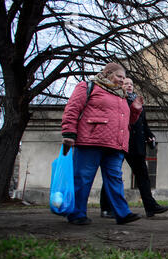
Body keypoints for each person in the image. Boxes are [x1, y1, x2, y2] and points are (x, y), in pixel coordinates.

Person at [61, 63, 143, 225]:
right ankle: (77, 214)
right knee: (83, 177)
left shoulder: (122, 95)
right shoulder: (88, 86)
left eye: (123, 78)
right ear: (107, 74)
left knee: (115, 178)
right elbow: (72, 108)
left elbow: (128, 121)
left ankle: (122, 213)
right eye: (119, 77)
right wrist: (69, 133)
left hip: (115, 144)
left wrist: (135, 110)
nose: (122, 81)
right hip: (91, 141)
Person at [100, 78, 168, 218]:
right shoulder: (117, 99)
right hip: (120, 143)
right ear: (121, 86)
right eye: (126, 84)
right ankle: (106, 208)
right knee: (113, 174)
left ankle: (150, 207)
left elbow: (143, 123)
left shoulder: (138, 102)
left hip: (137, 145)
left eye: (131, 84)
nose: (129, 86)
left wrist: (150, 136)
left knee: (143, 176)